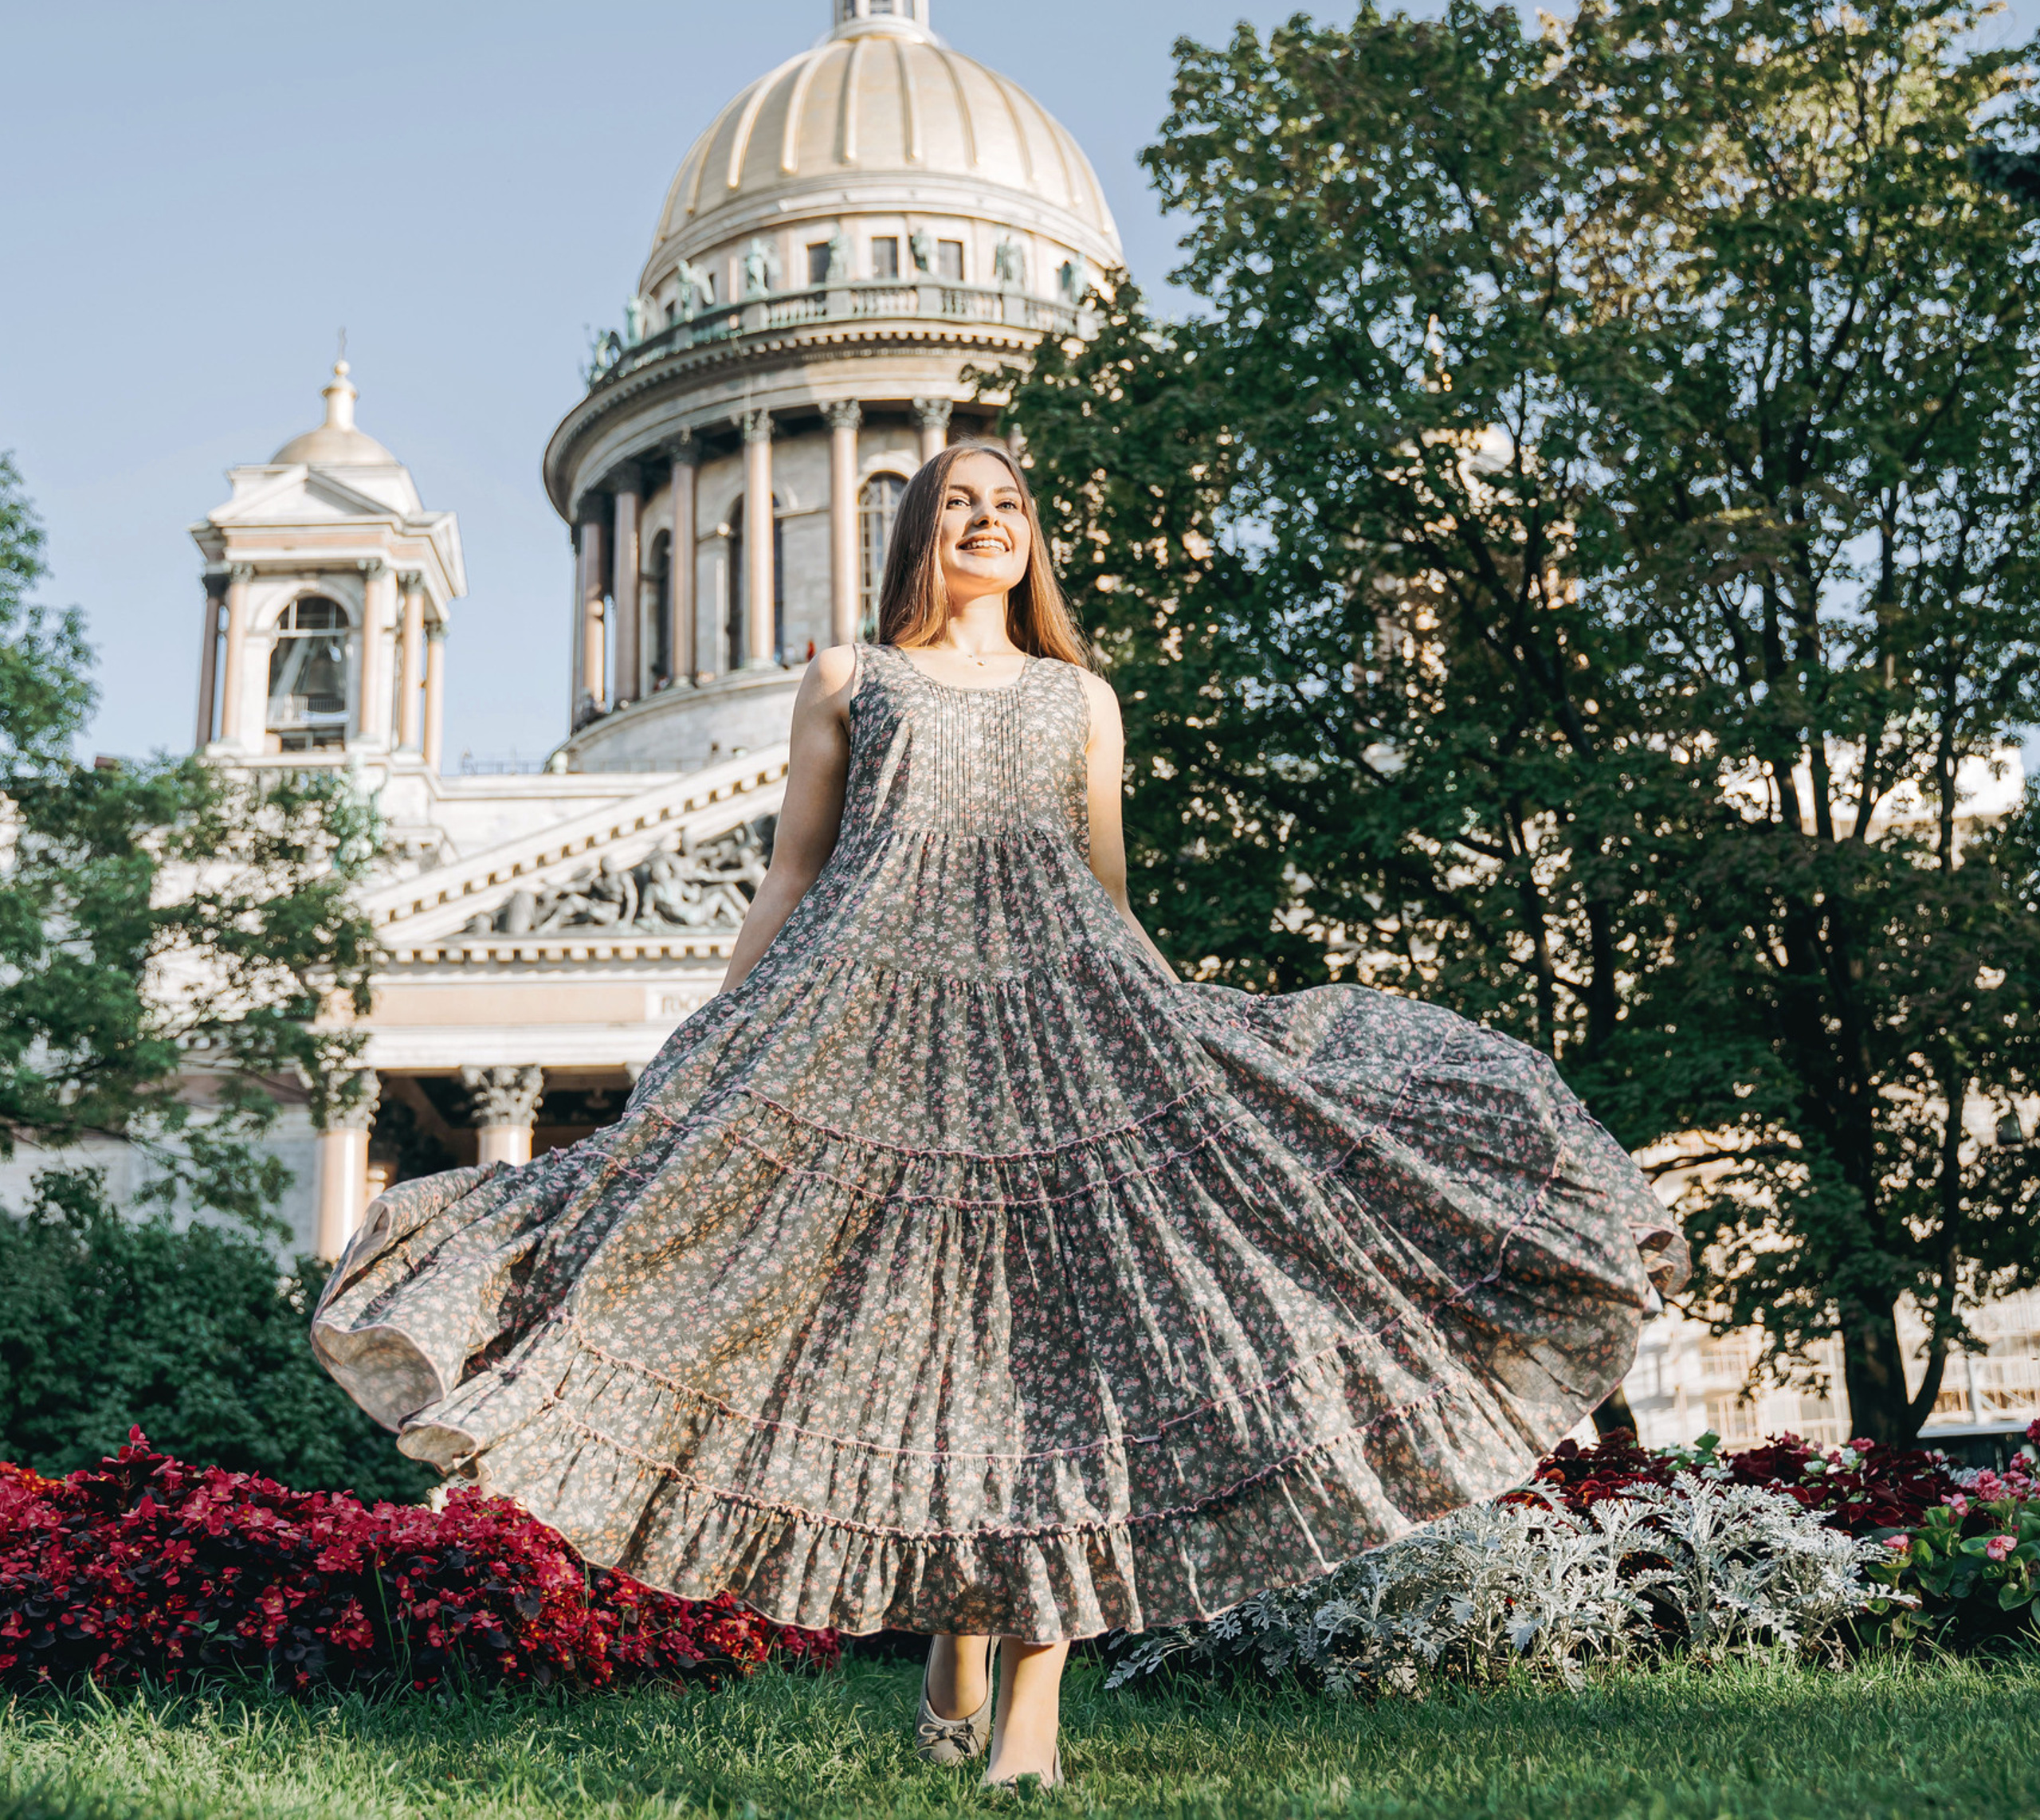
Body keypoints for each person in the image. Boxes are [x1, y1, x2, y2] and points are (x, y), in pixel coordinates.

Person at [312, 441, 1687, 1791]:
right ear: (911, 536)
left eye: (1008, 503)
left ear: (1033, 537)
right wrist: (710, 1048)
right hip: (883, 1044)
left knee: (1066, 1381)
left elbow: (1108, 897)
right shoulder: (852, 680)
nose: (987, 519)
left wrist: (1205, 1048)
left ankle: (1027, 1730)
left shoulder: (1081, 699)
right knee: (938, 1370)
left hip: (1059, 1046)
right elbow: (793, 875)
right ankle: (955, 1642)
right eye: (956, 502)